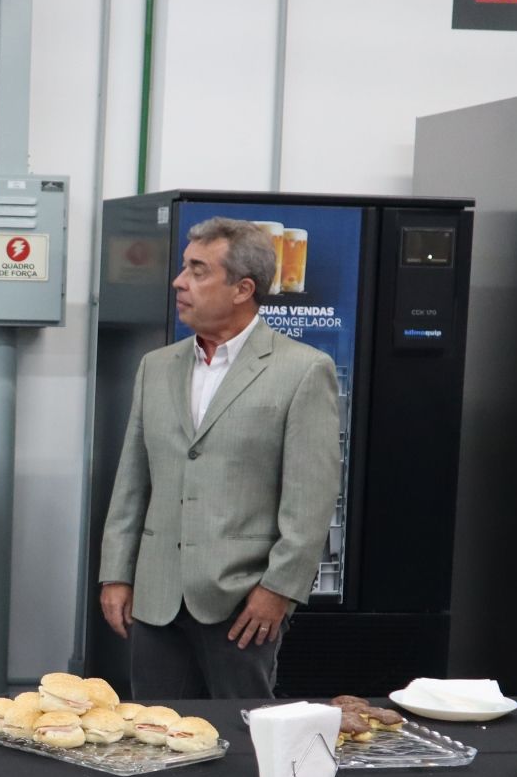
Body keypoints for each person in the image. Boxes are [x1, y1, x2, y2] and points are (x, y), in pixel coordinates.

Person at [96, 216, 340, 699]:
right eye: (184, 269)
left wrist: (279, 591)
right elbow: (133, 481)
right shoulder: (157, 366)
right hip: (157, 597)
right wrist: (116, 574)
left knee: (243, 742)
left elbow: (311, 499)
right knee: (156, 737)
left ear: (242, 289)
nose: (179, 282)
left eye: (198, 271)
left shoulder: (303, 371)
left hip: (243, 604)